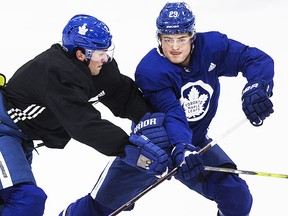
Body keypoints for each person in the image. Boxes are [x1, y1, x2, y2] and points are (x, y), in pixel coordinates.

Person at [59, 2, 274, 216]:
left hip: (194, 145)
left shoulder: (212, 48)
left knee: (236, 197)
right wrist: (181, 145)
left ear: (193, 36)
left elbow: (253, 58)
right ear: (159, 38)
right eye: (167, 39)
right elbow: (172, 112)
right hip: (153, 147)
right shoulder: (151, 70)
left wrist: (257, 87)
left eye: (181, 39)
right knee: (100, 207)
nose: (175, 47)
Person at [0, 14, 172, 216]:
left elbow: (122, 94)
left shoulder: (99, 68)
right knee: (25, 199)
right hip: (5, 132)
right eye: (100, 53)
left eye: (107, 51)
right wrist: (129, 148)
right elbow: (82, 123)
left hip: (19, 138)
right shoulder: (55, 73)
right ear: (81, 54)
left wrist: (150, 120)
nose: (105, 58)